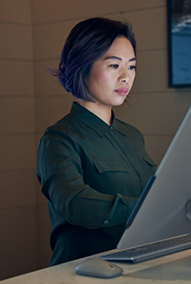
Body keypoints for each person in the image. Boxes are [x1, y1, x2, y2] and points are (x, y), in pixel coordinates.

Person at [36, 17, 157, 266]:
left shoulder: (132, 135)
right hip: (83, 272)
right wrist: (148, 208)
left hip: (137, 266)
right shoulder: (58, 138)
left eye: (132, 66)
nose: (126, 77)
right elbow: (75, 203)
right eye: (114, 66)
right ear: (83, 66)